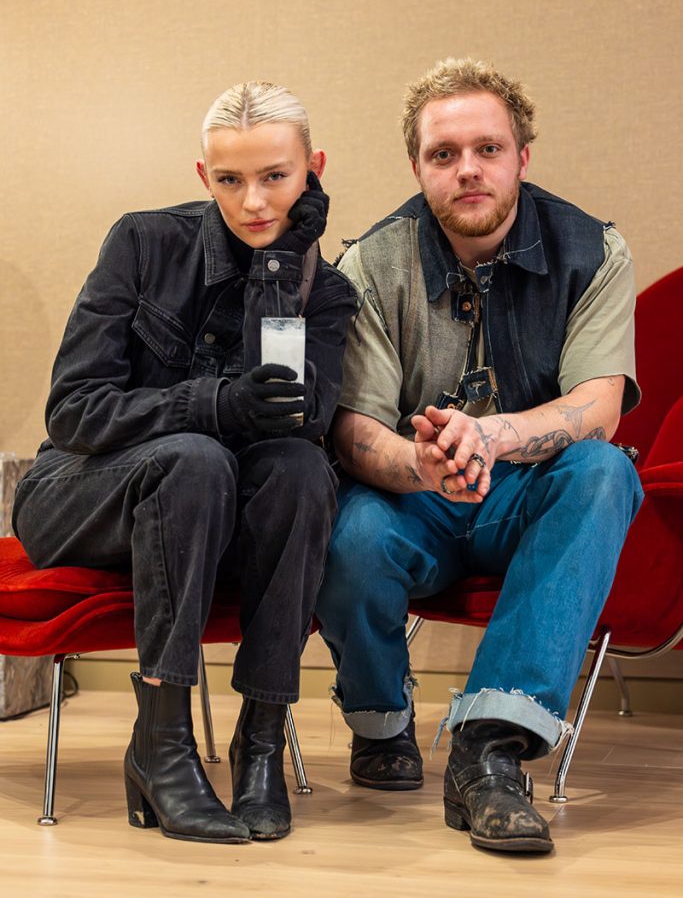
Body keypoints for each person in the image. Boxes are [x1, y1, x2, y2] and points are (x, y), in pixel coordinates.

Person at [12, 81, 356, 844]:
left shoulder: (324, 292)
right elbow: (73, 411)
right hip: (80, 495)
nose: (252, 201)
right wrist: (214, 403)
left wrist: (277, 272)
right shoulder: (142, 242)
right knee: (195, 458)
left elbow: (302, 421)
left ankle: (260, 745)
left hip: (206, 518)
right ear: (204, 176)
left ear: (313, 172)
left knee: (301, 471)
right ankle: (161, 747)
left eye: (275, 177)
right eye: (230, 179)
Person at [315, 58, 643, 854]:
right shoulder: (369, 264)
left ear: (521, 157)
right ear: (416, 167)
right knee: (347, 525)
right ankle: (380, 722)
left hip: (526, 498)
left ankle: (489, 751)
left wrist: (491, 436)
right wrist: (421, 466)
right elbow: (353, 429)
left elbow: (598, 405)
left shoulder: (593, 250)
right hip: (412, 500)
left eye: (487, 149)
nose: (467, 169)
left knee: (605, 472)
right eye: (443, 153)